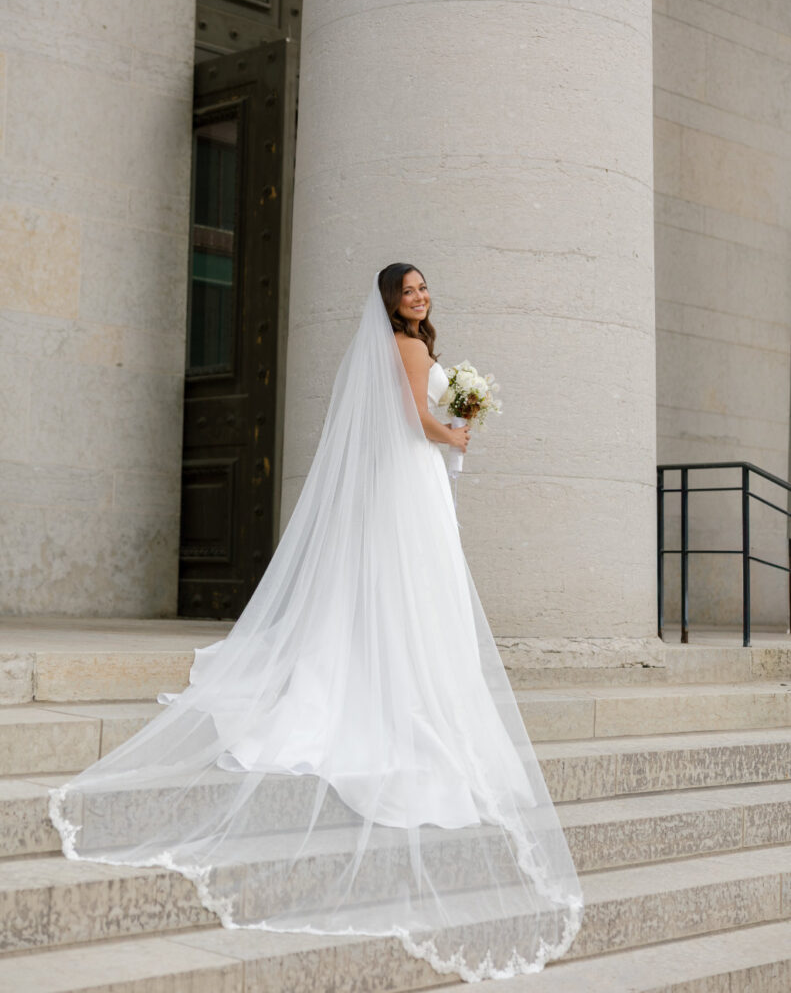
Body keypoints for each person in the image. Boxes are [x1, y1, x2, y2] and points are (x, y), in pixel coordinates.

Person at [49, 264, 583, 982]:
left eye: (423, 288)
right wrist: (454, 432)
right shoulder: (404, 348)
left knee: (418, 589)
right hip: (411, 475)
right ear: (390, 301)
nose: (418, 297)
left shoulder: (418, 343)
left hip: (413, 479)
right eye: (407, 291)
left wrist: (455, 422)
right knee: (416, 587)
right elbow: (413, 420)